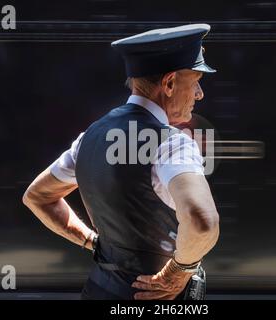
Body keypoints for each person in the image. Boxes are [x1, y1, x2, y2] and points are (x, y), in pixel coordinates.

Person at [23, 23, 220, 300]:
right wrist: (180, 268)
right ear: (170, 83)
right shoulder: (173, 143)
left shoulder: (90, 136)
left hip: (99, 289)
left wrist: (91, 242)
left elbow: (37, 196)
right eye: (196, 81)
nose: (200, 93)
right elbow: (203, 222)